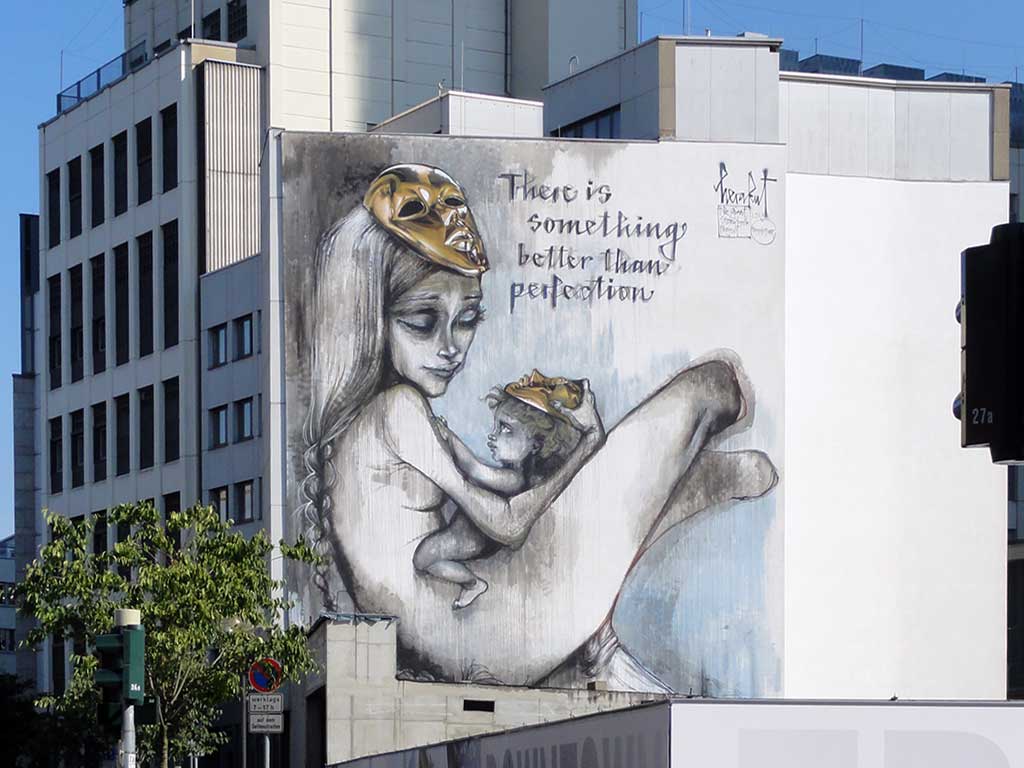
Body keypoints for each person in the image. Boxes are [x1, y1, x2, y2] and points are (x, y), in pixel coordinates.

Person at [298, 163, 778, 686]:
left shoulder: (367, 423)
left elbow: (479, 489)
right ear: (372, 318)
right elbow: (506, 522)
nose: (450, 348)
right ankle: (691, 485)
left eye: (467, 319)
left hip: (466, 625)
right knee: (712, 387)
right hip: (492, 629)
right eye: (422, 322)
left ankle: (691, 486)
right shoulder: (396, 409)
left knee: (694, 473)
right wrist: (587, 444)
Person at [412, 372, 588, 610]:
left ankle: (472, 584)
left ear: (535, 444)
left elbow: (474, 469)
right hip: (464, 532)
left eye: (506, 429)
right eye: (496, 426)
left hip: (470, 540)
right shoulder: (512, 475)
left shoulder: (514, 479)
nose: (493, 435)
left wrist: (450, 437)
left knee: (423, 557)